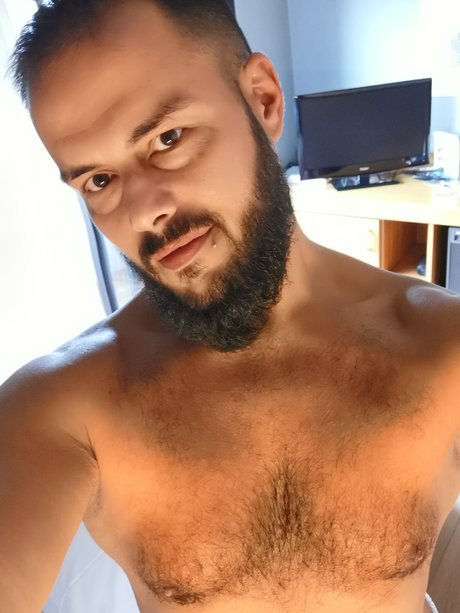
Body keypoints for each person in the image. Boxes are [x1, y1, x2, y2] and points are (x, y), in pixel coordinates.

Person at [1, 0, 458, 611]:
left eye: (167, 139)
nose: (144, 213)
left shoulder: (443, 350)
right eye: (99, 181)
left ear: (263, 100)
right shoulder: (64, 406)